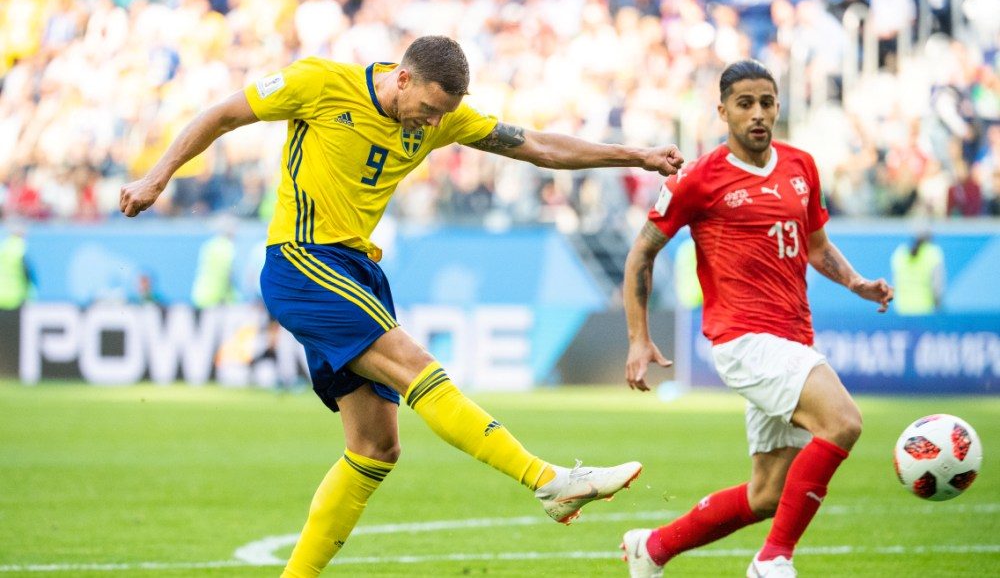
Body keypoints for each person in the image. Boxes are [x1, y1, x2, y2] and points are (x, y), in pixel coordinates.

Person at [119, 36, 684, 577]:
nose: (434, 124)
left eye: (444, 115)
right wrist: (156, 177)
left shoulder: (442, 118)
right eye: (430, 109)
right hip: (302, 259)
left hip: (357, 269)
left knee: (375, 448)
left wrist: (634, 155)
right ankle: (548, 481)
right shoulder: (319, 83)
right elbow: (222, 115)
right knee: (419, 369)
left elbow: (538, 146)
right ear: (403, 77)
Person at [619, 60, 893, 578]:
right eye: (745, 104)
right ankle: (773, 559)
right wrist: (638, 338)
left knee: (767, 494)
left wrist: (856, 283)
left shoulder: (801, 166)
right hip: (743, 339)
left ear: (778, 106)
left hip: (793, 338)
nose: (758, 114)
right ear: (723, 112)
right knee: (843, 422)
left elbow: (817, 247)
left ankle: (651, 548)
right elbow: (641, 255)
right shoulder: (696, 179)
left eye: (767, 102)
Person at [891, 229, 945, 315]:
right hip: (925, 311)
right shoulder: (933, 253)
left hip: (902, 310)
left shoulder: (900, 253)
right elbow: (937, 287)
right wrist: (939, 308)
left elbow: (895, 283)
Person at [191, 217, 237, 308]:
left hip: (201, 293)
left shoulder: (209, 245)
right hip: (216, 298)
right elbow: (227, 274)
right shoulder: (227, 247)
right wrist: (230, 296)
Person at [0, 223, 33, 310]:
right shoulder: (21, 248)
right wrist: (29, 292)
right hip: (15, 297)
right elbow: (27, 272)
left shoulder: (3, 246)